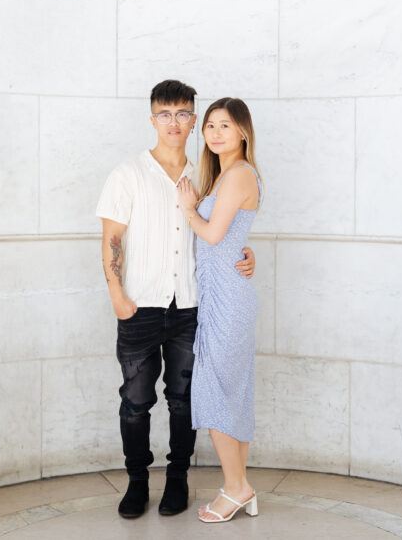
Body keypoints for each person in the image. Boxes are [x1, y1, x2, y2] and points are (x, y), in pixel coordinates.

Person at [96, 80, 256, 519]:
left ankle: (178, 482)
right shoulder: (127, 173)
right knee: (135, 401)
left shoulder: (205, 177)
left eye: (183, 114)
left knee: (184, 401)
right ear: (152, 120)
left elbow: (219, 230)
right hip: (139, 306)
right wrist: (117, 293)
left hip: (190, 308)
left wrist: (244, 251)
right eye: (164, 114)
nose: (174, 122)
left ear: (193, 121)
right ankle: (136, 483)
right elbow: (112, 237)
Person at [177, 97, 263, 523]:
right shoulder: (224, 176)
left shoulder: (239, 175)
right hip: (225, 295)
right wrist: (245, 252)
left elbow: (211, 236)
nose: (214, 133)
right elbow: (230, 240)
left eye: (224, 126)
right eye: (209, 125)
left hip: (228, 301)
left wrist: (189, 210)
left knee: (217, 393)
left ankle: (236, 487)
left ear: (242, 132)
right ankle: (240, 486)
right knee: (231, 392)